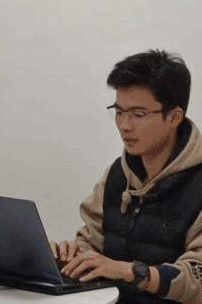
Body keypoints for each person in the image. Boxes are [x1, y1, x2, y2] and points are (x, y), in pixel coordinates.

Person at [52, 49, 202, 304]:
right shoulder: (117, 174)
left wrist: (130, 272)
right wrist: (70, 256)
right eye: (119, 112)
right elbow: (91, 242)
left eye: (138, 115)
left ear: (174, 117)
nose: (124, 125)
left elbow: (197, 278)